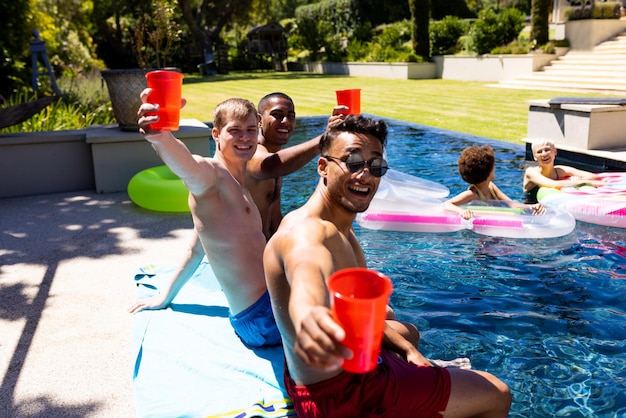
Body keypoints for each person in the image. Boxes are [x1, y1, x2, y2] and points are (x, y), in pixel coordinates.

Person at [263, 115, 512, 417]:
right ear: (323, 166)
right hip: (348, 398)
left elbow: (360, 318)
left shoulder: (340, 227)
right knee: (497, 393)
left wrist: (408, 351)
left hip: (319, 382)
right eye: (352, 162)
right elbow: (306, 276)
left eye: (376, 165)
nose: (365, 175)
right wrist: (312, 317)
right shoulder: (308, 233)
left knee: (409, 334)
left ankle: (417, 370)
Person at [129, 92, 346, 345]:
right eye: (235, 130)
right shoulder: (211, 176)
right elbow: (187, 165)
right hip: (263, 318)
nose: (245, 137)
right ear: (216, 135)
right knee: (364, 313)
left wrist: (164, 297)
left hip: (261, 312)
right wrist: (160, 136)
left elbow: (195, 251)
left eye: (251, 130)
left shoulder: (237, 186)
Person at [444, 144, 544, 220]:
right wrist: (462, 211)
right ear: (487, 171)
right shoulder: (472, 194)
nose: (495, 168)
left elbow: (510, 203)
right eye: (493, 166)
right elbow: (447, 204)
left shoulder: (492, 187)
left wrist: (530, 207)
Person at [523, 138, 606, 204]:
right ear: (534, 157)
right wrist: (578, 183)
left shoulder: (560, 170)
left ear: (555, 152)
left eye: (547, 150)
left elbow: (594, 176)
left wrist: (580, 180)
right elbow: (552, 184)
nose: (544, 154)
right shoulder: (531, 172)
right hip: (530, 208)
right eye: (539, 152)